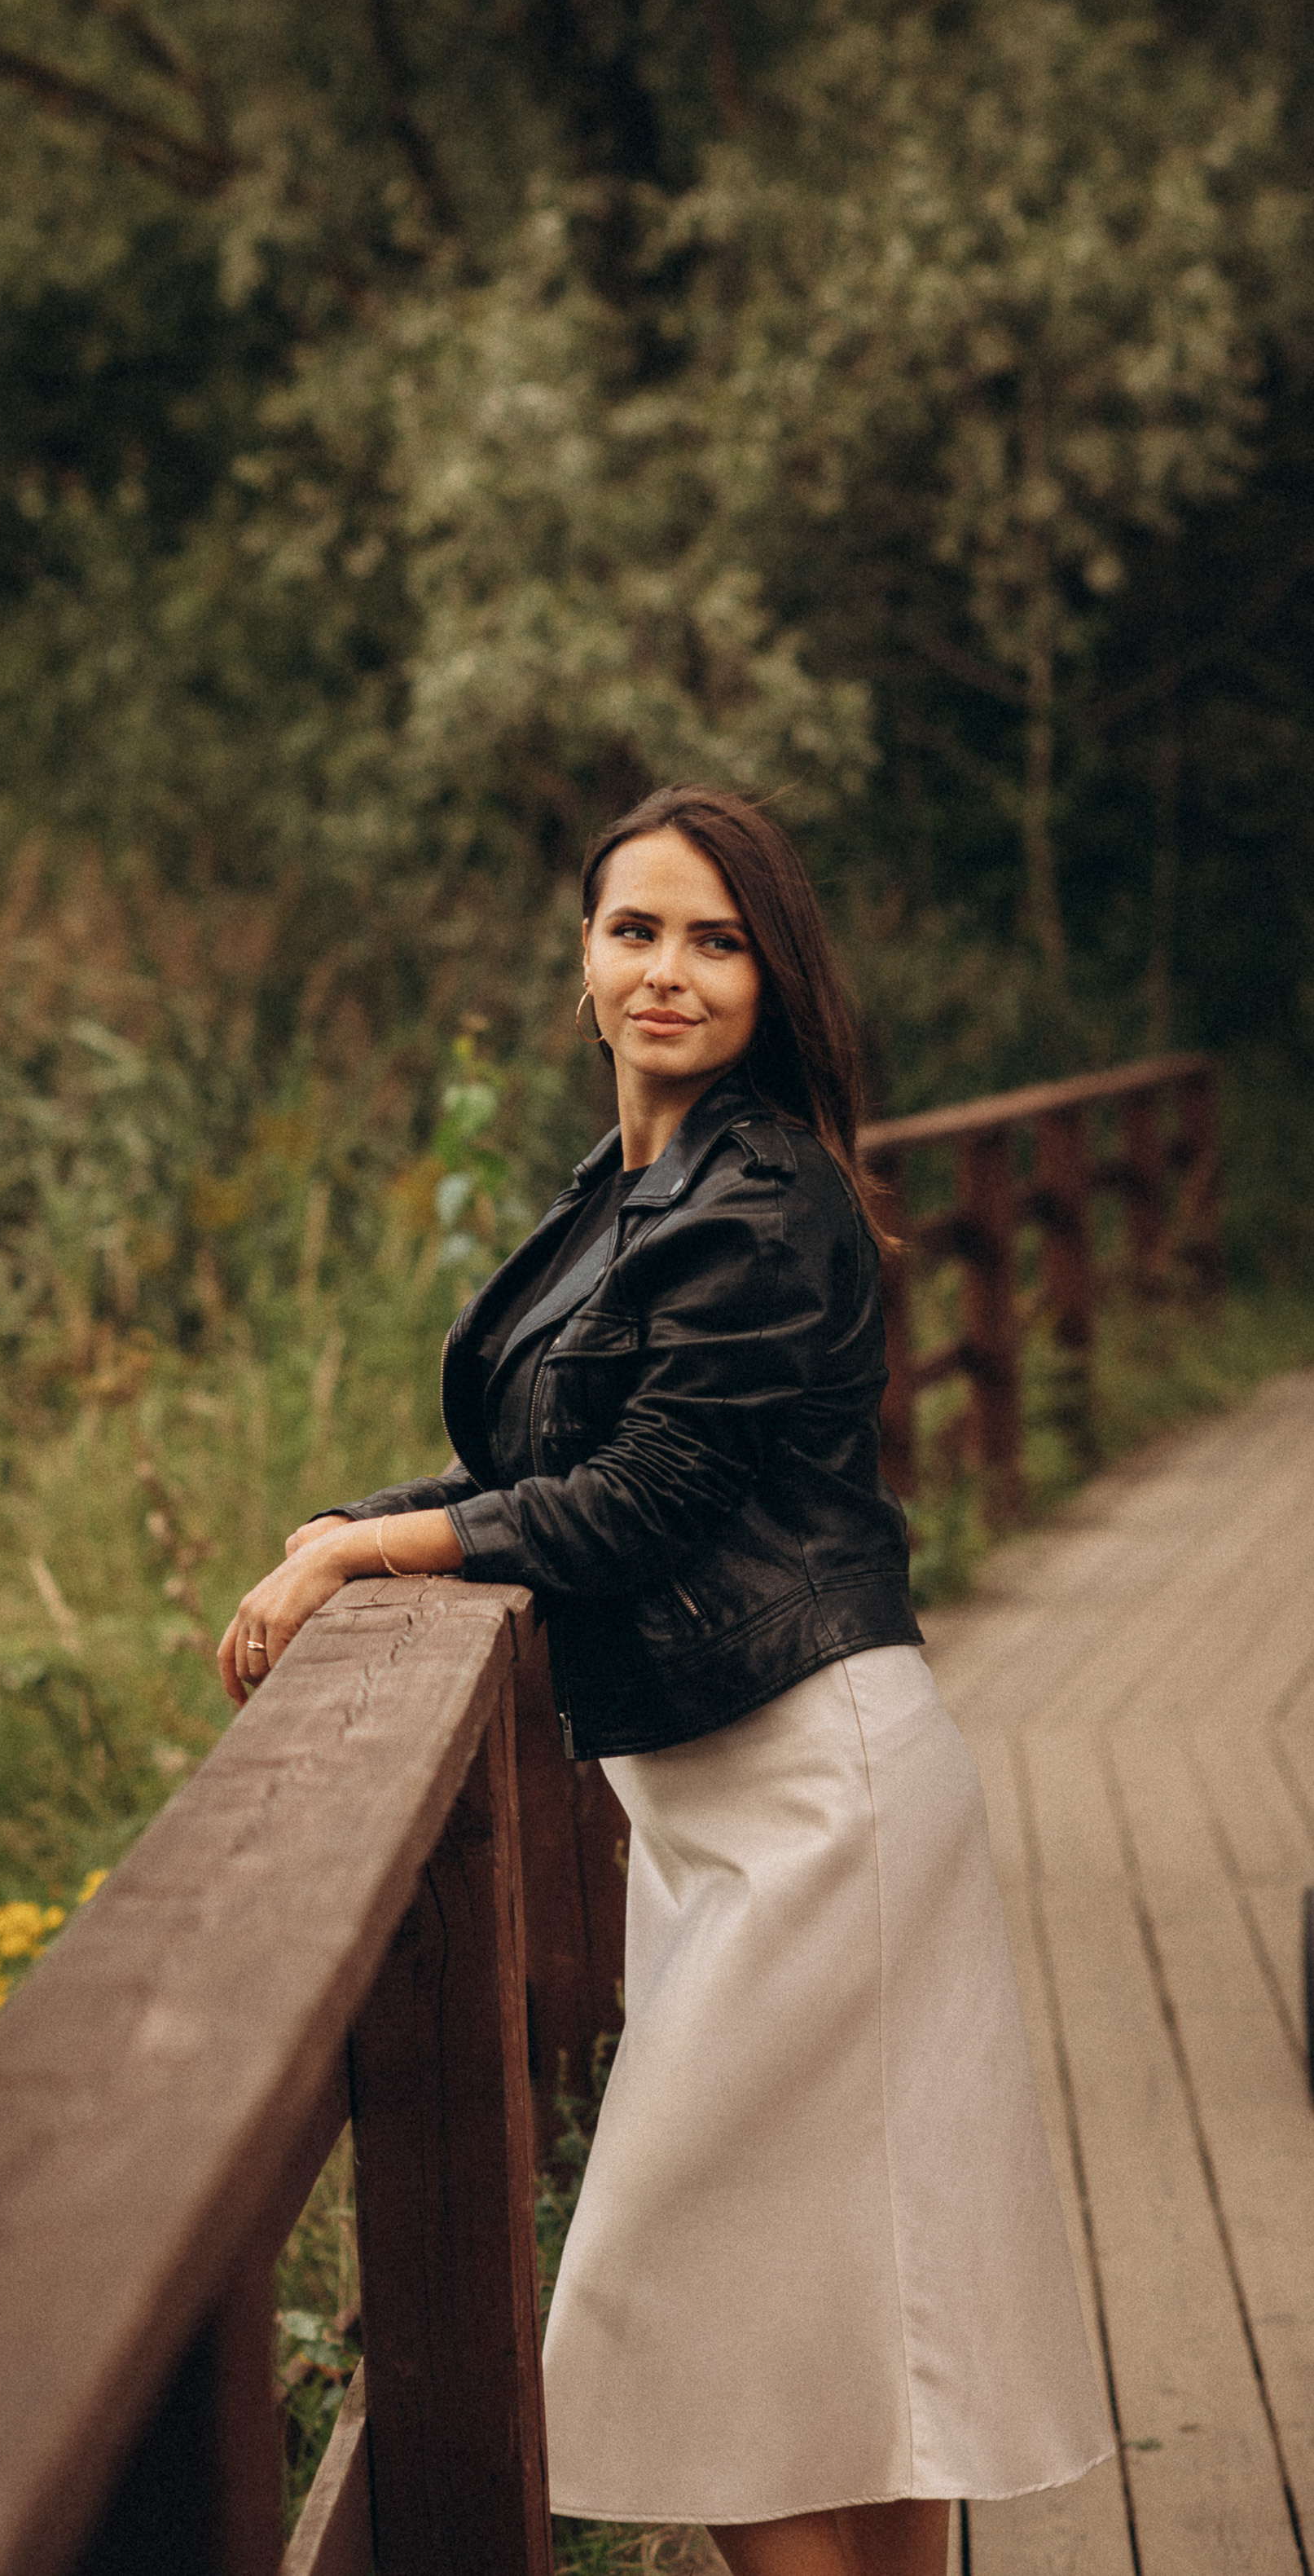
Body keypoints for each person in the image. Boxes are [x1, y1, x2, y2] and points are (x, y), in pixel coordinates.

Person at [217, 785, 1111, 2576]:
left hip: (817, 1798)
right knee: (848, 2315)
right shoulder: (631, 1184)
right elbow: (549, 1453)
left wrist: (360, 1559)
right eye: (636, 931)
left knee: (687, 2307)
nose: (669, 972)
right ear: (583, 958)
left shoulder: (761, 1197)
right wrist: (361, 1520)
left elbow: (643, 1497)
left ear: (773, 980)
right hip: (725, 1805)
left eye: (718, 940)